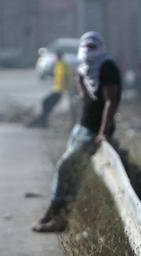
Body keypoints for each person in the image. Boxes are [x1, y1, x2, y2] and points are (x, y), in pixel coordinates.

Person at [33, 32, 122, 233]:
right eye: (86, 47)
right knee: (67, 171)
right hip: (81, 128)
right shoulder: (86, 67)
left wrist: (102, 132)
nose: (89, 52)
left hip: (92, 132)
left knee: (67, 169)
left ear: (100, 48)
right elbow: (83, 90)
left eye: (93, 47)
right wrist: (80, 84)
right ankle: (54, 212)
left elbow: (111, 101)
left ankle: (59, 216)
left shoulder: (107, 67)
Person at [27, 50, 71, 128]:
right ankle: (43, 121)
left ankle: (43, 121)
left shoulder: (62, 65)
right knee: (46, 103)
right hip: (57, 89)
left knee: (46, 102)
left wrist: (67, 89)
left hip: (59, 90)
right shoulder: (59, 65)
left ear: (59, 57)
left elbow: (66, 77)